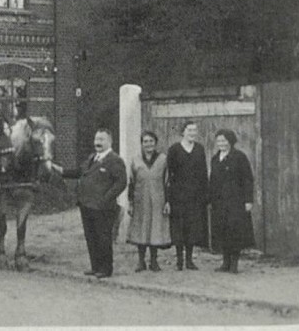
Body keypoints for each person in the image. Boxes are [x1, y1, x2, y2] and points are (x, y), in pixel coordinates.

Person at [56, 128, 127, 279]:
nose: (97, 143)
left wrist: (106, 198)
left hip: (103, 207)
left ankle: (106, 269)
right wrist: (60, 170)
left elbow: (121, 183)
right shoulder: (92, 158)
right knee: (91, 236)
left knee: (103, 236)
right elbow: (79, 172)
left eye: (101, 140)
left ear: (110, 142)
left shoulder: (115, 160)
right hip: (86, 205)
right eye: (96, 140)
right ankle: (95, 267)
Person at [209, 129, 255, 274]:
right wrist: (211, 198)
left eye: (224, 141)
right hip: (219, 202)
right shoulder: (215, 159)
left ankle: (234, 264)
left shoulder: (239, 157)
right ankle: (225, 263)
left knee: (235, 231)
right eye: (219, 141)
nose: (221, 144)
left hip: (236, 201)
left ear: (230, 141)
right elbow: (212, 181)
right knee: (222, 231)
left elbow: (248, 179)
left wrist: (248, 200)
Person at [165, 120, 209, 270]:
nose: (192, 133)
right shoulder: (174, 150)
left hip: (194, 196)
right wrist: (168, 199)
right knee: (179, 227)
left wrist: (204, 195)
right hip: (178, 196)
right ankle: (179, 260)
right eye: (189, 130)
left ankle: (189, 260)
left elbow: (203, 173)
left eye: (194, 130)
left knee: (192, 227)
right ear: (183, 132)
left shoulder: (199, 149)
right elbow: (169, 175)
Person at [126, 130, 170, 272]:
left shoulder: (163, 159)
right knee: (141, 229)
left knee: (155, 230)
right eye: (145, 141)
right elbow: (131, 183)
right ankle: (141, 261)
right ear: (142, 144)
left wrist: (168, 202)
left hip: (158, 200)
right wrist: (131, 203)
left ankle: (154, 261)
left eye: (151, 141)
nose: (148, 144)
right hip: (141, 200)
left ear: (155, 143)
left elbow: (168, 181)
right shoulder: (136, 160)